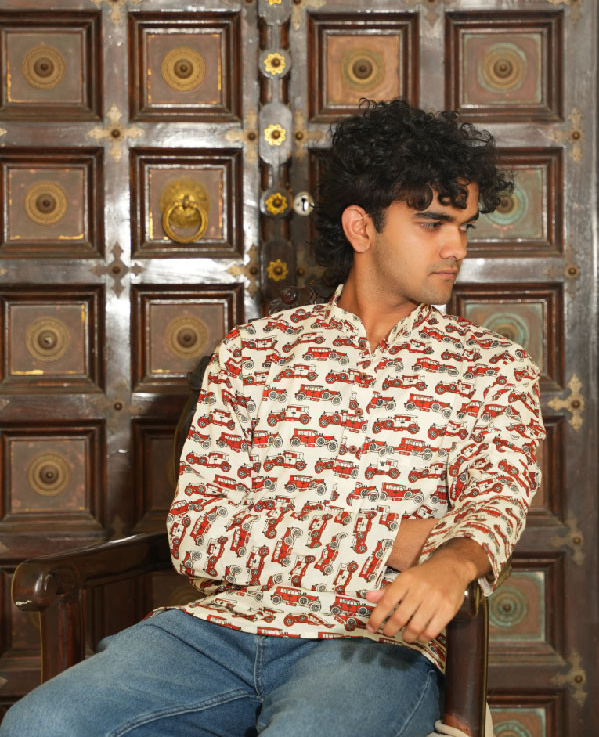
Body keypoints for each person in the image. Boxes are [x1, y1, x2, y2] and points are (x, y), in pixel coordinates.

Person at [1, 99, 545, 736]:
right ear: (361, 228)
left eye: (464, 226)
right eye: (432, 224)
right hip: (218, 634)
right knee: (40, 725)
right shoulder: (252, 353)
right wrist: (396, 541)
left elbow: (492, 511)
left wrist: (453, 562)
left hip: (373, 642)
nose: (457, 248)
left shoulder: (495, 368)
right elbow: (199, 536)